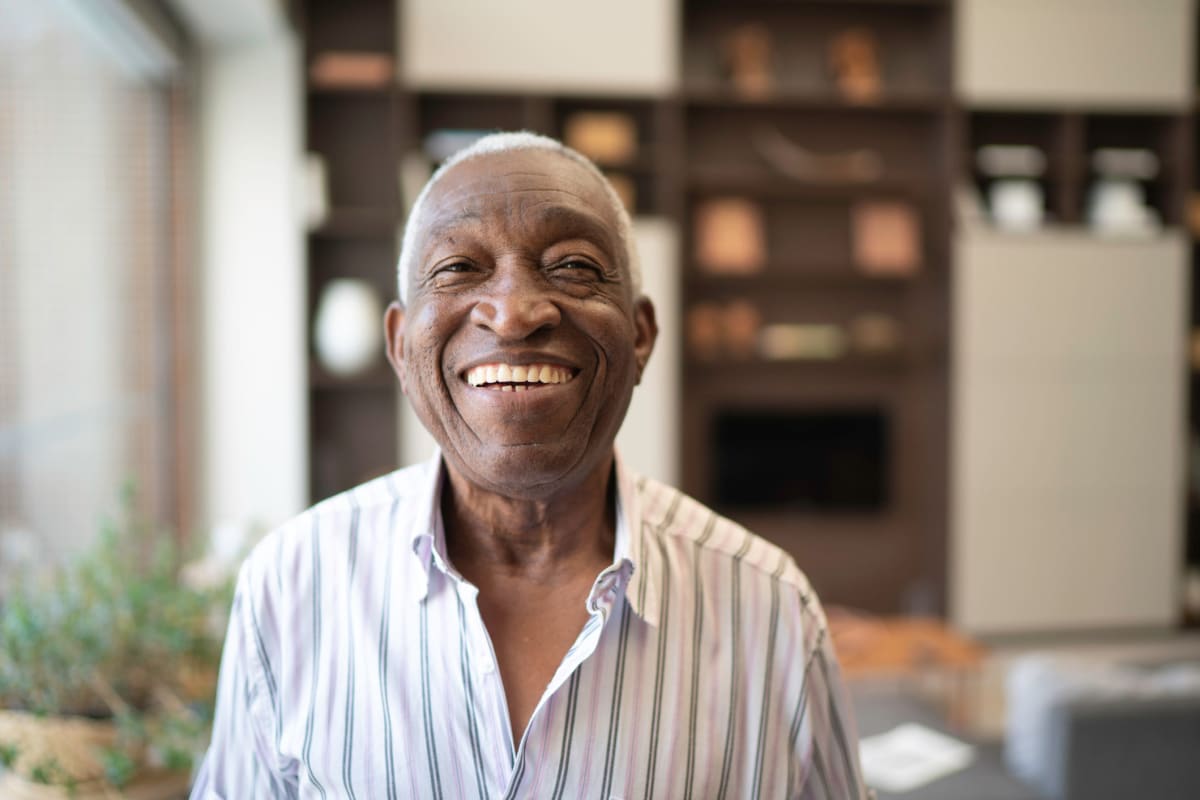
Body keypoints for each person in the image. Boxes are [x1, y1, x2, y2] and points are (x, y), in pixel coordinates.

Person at [191, 131, 870, 799]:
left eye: (572, 265)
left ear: (639, 335)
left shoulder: (769, 610)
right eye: (458, 268)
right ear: (400, 346)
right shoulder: (291, 588)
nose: (513, 313)